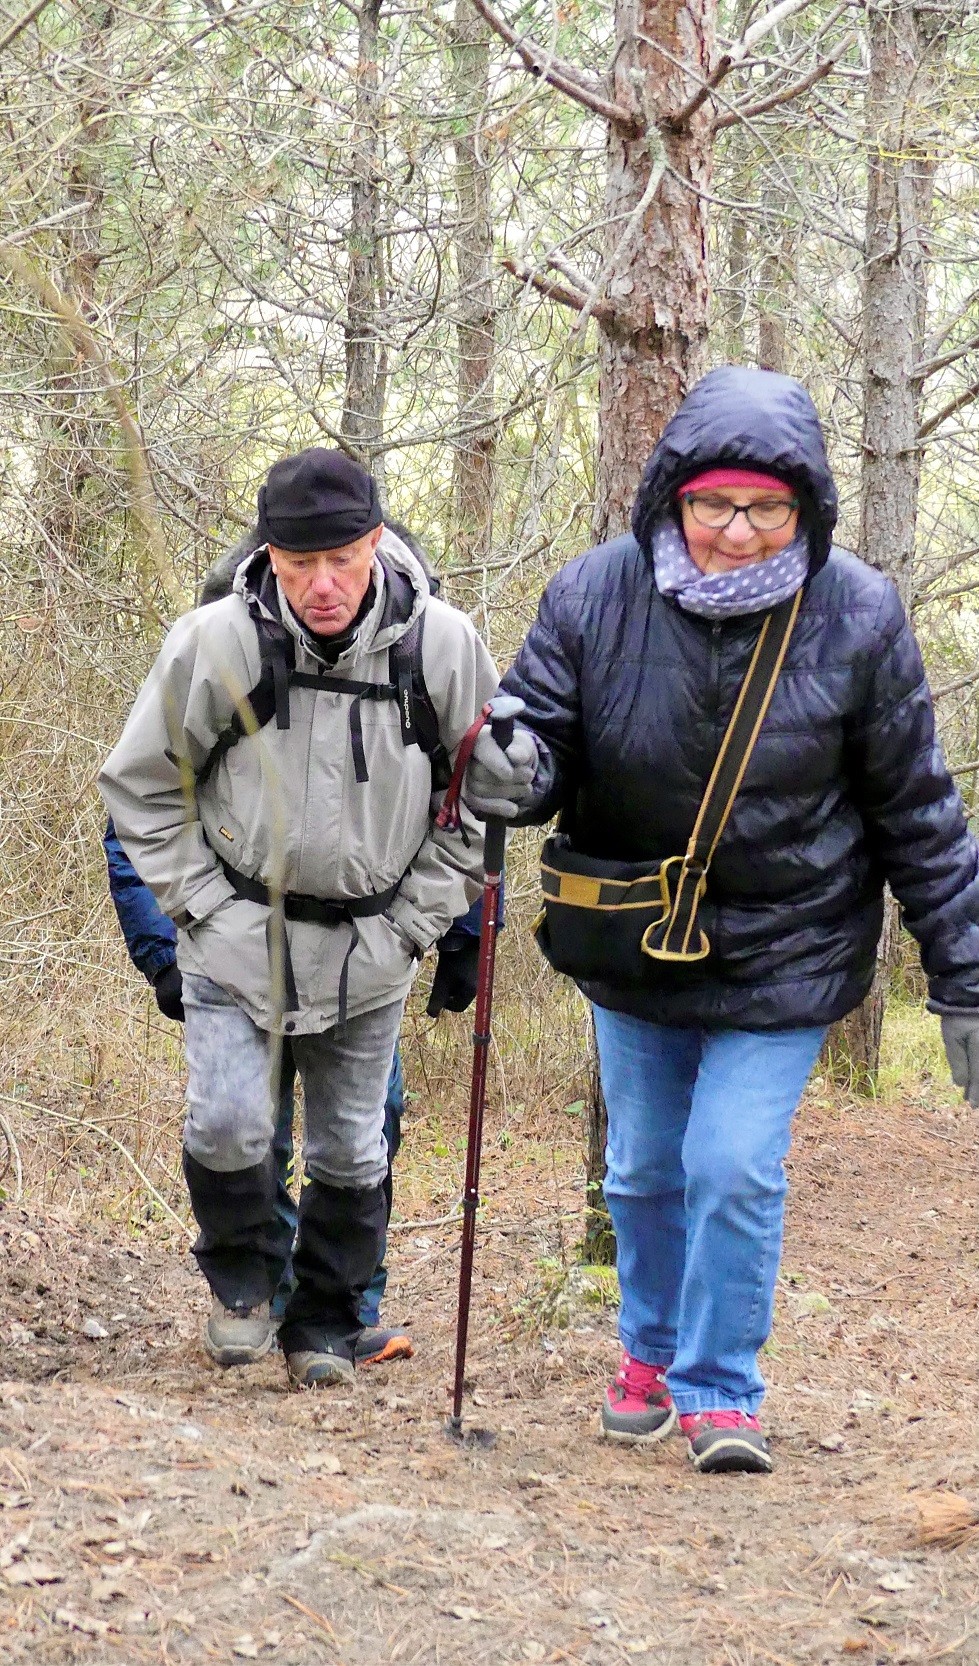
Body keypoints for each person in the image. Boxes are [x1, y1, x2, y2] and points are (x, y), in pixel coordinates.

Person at [464, 365, 979, 1474]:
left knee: (732, 1163)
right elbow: (537, 734)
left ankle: (719, 1386)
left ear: (807, 509)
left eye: (765, 509)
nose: (736, 532)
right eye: (712, 505)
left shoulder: (858, 613)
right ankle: (647, 1352)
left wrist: (962, 975)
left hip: (789, 945)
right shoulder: (593, 593)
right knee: (645, 1167)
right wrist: (512, 768)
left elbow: (919, 810)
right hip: (636, 937)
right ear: (672, 497)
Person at [100, 447, 497, 1389]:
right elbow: (142, 785)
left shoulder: (438, 644)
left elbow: (480, 805)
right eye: (297, 564)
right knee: (231, 1122)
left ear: (376, 543)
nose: (323, 586)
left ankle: (324, 1321)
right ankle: (244, 1288)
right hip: (232, 931)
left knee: (352, 1143)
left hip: (371, 940)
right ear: (267, 555)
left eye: (342, 560)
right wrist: (193, 906)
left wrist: (417, 923)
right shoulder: (213, 642)